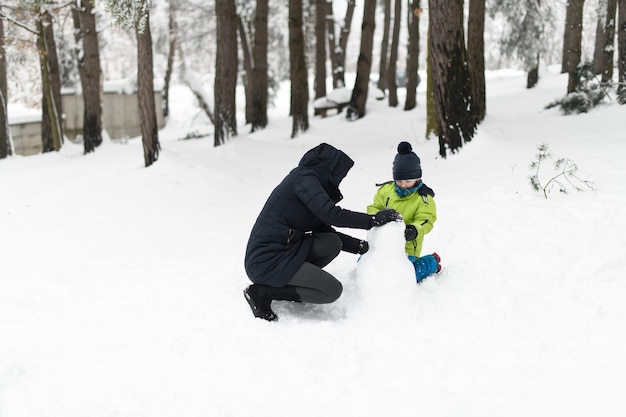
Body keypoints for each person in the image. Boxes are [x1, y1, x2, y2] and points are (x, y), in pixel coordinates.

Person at [244, 143, 401, 321]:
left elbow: (324, 229)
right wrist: (372, 220)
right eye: (339, 175)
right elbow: (331, 215)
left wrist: (362, 247)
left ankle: (292, 285)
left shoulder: (308, 184)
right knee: (331, 291)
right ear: (329, 169)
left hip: (287, 250)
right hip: (266, 260)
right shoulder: (303, 178)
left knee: (331, 242)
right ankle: (263, 291)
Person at [367, 141, 441, 282]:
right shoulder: (386, 191)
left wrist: (414, 230)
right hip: (384, 244)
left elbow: (426, 220)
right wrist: (377, 216)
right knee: (369, 268)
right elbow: (373, 207)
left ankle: (432, 262)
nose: (403, 185)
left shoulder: (423, 198)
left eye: (408, 181)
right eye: (399, 181)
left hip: (408, 248)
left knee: (405, 277)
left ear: (418, 177)